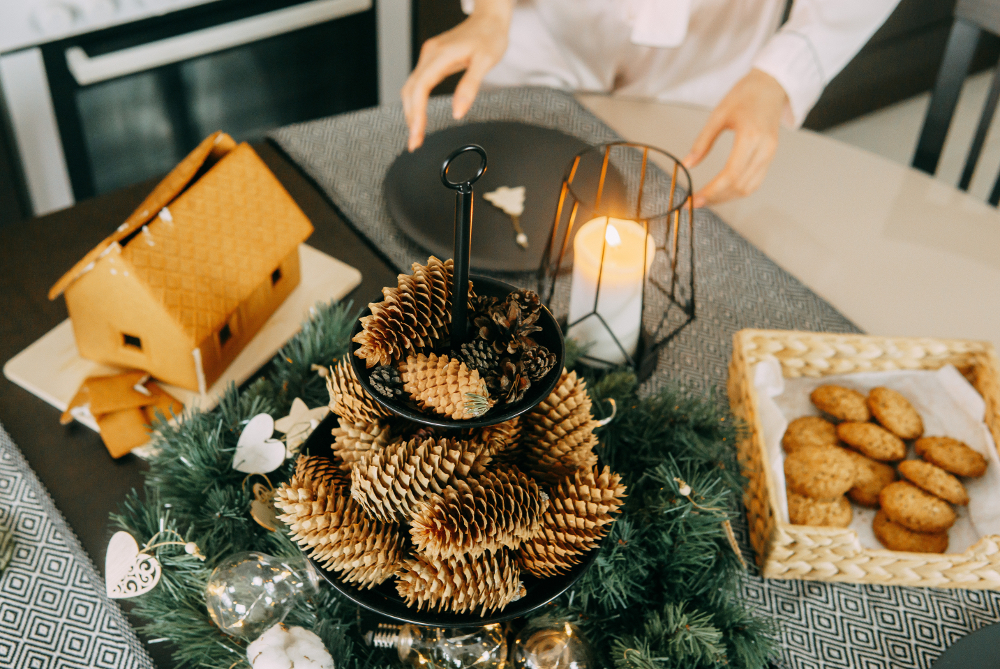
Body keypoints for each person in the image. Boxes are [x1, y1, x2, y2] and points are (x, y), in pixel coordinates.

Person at [401, 0, 901, 207]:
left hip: (712, 48)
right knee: (498, 209)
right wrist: (491, 10)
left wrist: (781, 74)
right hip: (547, 28)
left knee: (676, 224)